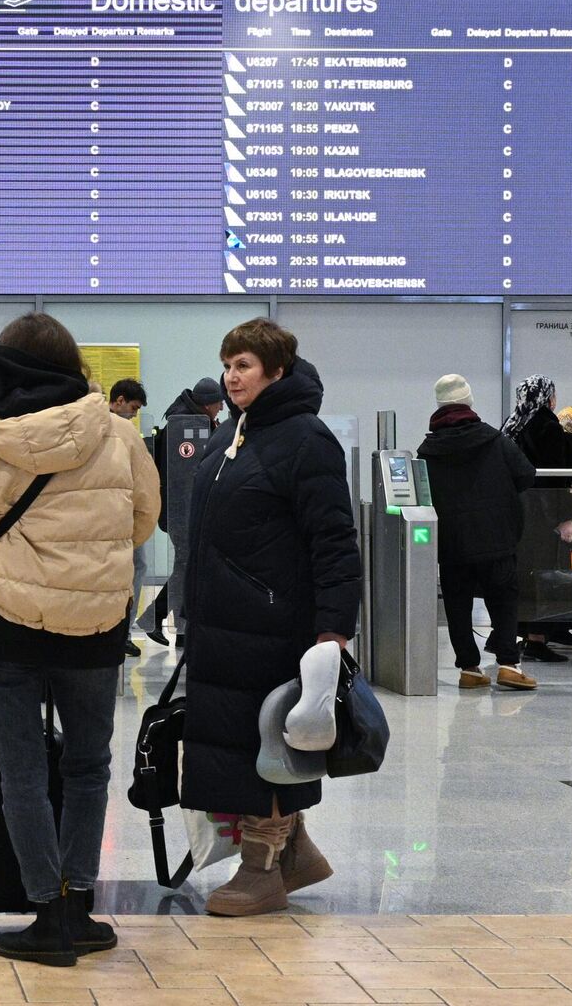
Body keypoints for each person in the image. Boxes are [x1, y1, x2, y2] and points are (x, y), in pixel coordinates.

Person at [0, 314, 159, 963]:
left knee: (23, 771)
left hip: (8, 626)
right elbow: (144, 520)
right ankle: (79, 905)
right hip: (94, 628)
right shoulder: (119, 435)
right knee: (88, 766)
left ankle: (46, 913)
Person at [179, 318, 357, 918]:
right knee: (238, 746)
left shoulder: (306, 439)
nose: (232, 377)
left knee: (266, 746)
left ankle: (261, 868)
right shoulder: (233, 433)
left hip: (273, 629)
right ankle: (295, 852)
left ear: (276, 371)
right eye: (228, 365)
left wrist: (333, 632)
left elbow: (334, 541)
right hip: (222, 626)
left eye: (244, 365)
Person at [416, 375, 539, 691]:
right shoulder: (495, 440)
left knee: (457, 604)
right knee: (503, 600)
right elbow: (526, 475)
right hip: (497, 538)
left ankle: (469, 669)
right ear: (468, 401)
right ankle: (508, 665)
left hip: (451, 543)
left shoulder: (428, 451)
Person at [502, 376, 572, 663]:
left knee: (519, 574)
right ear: (549, 398)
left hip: (512, 512)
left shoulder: (511, 425)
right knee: (543, 575)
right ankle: (536, 639)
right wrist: (564, 517)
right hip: (541, 514)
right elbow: (555, 478)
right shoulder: (548, 426)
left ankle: (510, 634)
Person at [107, 379, 151, 655]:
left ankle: (121, 631)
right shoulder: (111, 430)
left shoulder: (115, 430)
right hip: (117, 515)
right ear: (119, 401)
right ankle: (117, 631)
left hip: (124, 512)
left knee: (138, 566)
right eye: (133, 408)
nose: (134, 415)